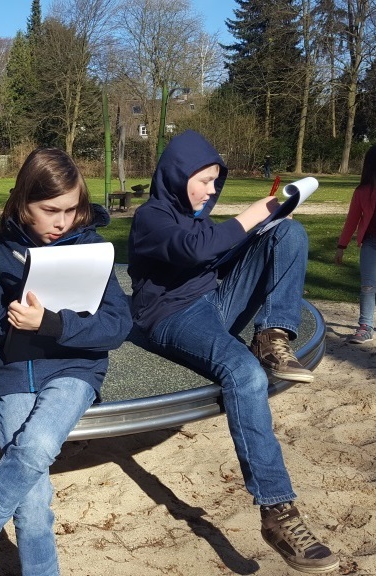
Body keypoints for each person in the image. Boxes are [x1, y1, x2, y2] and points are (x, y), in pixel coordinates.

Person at [127, 130, 338, 574]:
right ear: (176, 176)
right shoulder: (151, 217)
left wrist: (267, 224)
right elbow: (192, 250)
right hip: (170, 316)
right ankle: (278, 514)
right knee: (244, 376)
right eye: (202, 181)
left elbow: (213, 260)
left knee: (289, 233)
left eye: (214, 181)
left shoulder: (196, 213)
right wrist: (254, 213)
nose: (210, 190)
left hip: (213, 300)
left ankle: (272, 336)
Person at [0, 148, 131, 576]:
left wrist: (53, 324)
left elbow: (117, 326)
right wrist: (11, 322)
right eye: (50, 210)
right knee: (34, 500)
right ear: (24, 204)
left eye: (72, 209)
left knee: (38, 445)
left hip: (75, 369)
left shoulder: (93, 247)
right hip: (13, 373)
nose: (63, 221)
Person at [335, 145, 376, 343]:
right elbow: (352, 220)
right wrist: (341, 246)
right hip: (370, 244)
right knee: (367, 286)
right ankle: (365, 326)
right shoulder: (362, 192)